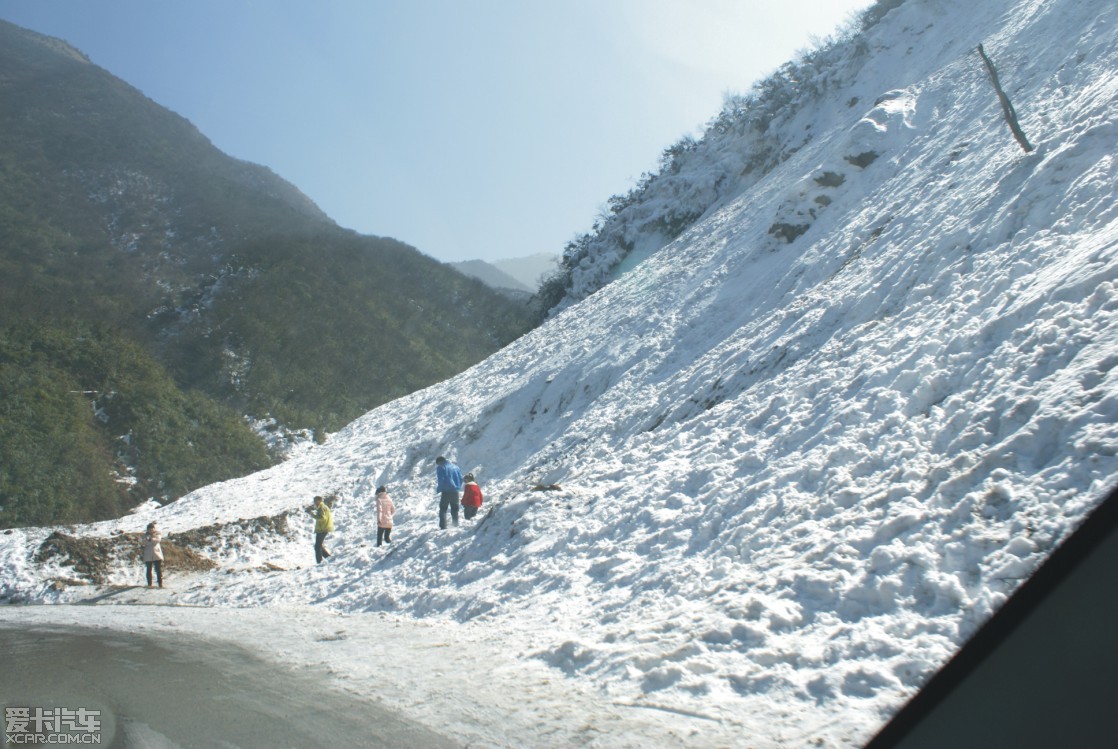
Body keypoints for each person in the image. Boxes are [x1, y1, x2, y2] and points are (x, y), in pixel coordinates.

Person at [435, 456, 464, 529]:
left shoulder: (441, 467)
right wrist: (457, 487)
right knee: (455, 508)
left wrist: (439, 489)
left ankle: (443, 526)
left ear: (439, 462)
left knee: (443, 509)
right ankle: (455, 524)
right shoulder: (456, 467)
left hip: (446, 492)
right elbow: (461, 479)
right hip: (455, 491)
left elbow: (441, 480)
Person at [307, 495, 334, 564]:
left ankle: (319, 562)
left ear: (319, 500)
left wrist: (313, 515)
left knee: (317, 547)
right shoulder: (324, 507)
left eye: (315, 501)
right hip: (324, 528)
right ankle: (329, 558)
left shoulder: (321, 508)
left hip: (322, 529)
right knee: (319, 545)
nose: (315, 503)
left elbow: (322, 518)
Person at [142, 522, 164, 588]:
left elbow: (158, 540)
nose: (151, 530)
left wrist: (151, 539)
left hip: (157, 554)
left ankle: (160, 583)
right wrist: (146, 540)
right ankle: (149, 584)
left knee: (158, 570)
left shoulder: (158, 534)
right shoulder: (145, 536)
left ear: (154, 529)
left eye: (152, 529)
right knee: (149, 570)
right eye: (149, 529)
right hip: (148, 555)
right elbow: (142, 542)